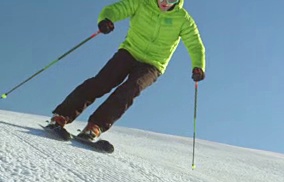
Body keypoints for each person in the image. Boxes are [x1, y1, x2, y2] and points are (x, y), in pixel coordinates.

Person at [48, 0, 206, 141]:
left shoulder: (184, 20)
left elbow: (195, 44)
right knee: (102, 82)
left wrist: (198, 66)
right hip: (129, 52)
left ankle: (94, 127)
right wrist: (106, 19)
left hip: (153, 63)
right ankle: (62, 116)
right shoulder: (141, 3)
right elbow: (116, 9)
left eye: (171, 0)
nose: (165, 2)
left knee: (131, 89)